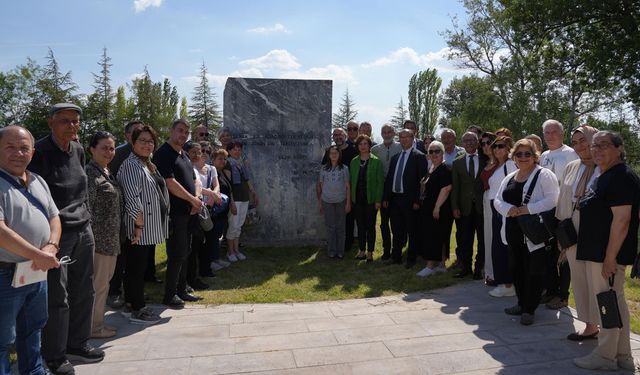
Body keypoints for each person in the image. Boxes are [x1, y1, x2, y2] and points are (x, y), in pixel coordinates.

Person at [29, 103, 104, 373]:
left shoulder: (79, 150)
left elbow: (81, 188)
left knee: (85, 289)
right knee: (58, 297)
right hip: (57, 234)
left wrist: (86, 218)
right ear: (51, 122)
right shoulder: (39, 153)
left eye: (75, 121)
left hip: (84, 229)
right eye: (65, 121)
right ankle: (55, 355)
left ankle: (78, 343)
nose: (72, 126)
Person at [572, 131, 639, 371]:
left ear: (620, 149)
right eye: (594, 146)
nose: (597, 150)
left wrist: (610, 257)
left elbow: (622, 221)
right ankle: (622, 356)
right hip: (597, 253)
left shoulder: (621, 177)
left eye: (604, 145)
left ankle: (605, 356)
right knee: (615, 301)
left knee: (607, 304)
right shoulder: (605, 175)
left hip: (605, 256)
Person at [0, 126, 60, 375]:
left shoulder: (37, 181)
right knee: (2, 340)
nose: (18, 153)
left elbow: (55, 218)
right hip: (5, 274)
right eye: (10, 147)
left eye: (24, 148)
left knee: (32, 330)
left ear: (32, 152)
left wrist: (51, 246)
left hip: (35, 272)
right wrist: (40, 255)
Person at [494, 139, 559, 326]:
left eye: (527, 154)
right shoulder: (510, 177)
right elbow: (498, 200)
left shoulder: (544, 175)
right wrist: (509, 209)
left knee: (534, 271)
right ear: (513, 157)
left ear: (535, 156)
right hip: (513, 231)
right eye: (519, 154)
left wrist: (527, 209)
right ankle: (521, 303)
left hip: (534, 233)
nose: (523, 158)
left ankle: (529, 309)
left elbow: (553, 200)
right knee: (517, 269)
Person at [118, 125, 168, 324]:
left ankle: (133, 302)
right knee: (135, 269)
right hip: (139, 228)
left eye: (150, 141)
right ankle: (136, 309)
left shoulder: (148, 163)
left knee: (138, 268)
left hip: (147, 226)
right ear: (133, 142)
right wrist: (138, 227)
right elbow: (132, 198)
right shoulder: (131, 165)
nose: (147, 145)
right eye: (142, 140)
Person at [555, 125, 600, 342]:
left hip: (596, 230)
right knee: (580, 278)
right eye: (575, 143)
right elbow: (564, 197)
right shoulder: (572, 166)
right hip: (572, 228)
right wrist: (562, 233)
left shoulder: (606, 166)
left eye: (584, 140)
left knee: (597, 280)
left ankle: (609, 327)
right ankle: (590, 325)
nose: (580, 146)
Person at [152, 119, 203, 309]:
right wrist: (192, 200)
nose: (183, 135)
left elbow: (194, 179)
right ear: (171, 130)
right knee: (176, 253)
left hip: (190, 211)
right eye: (180, 131)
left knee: (186, 251)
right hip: (175, 213)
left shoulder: (184, 155)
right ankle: (170, 294)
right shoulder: (163, 154)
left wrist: (196, 200)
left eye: (186, 132)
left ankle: (182, 289)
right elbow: (170, 183)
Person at [85, 131, 122, 339]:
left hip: (111, 240)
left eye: (111, 148)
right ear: (92, 149)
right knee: (98, 287)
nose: (109, 152)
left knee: (102, 285)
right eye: (104, 147)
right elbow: (87, 208)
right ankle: (94, 328)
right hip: (99, 241)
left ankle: (96, 324)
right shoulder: (90, 173)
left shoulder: (106, 171)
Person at [539, 119, 579, 309]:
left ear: (562, 133)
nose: (550, 135)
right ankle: (551, 290)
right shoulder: (544, 155)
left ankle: (563, 296)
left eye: (554, 132)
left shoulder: (571, 153)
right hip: (546, 212)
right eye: (547, 132)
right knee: (548, 255)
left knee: (564, 255)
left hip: (564, 211)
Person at [107, 121, 146, 311]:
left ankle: (133, 289)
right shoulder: (119, 153)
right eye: (134, 133)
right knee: (119, 253)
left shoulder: (145, 154)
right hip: (119, 210)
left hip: (138, 212)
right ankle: (114, 291)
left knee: (135, 255)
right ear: (127, 136)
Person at [383, 129, 427, 267]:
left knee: (412, 231)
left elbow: (423, 181)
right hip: (395, 200)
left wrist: (417, 200)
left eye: (406, 137)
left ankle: (411, 259)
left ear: (413, 138)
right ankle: (395, 257)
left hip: (410, 201)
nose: (403, 140)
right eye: (401, 137)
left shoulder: (419, 156)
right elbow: (390, 179)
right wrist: (386, 198)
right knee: (396, 230)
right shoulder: (396, 157)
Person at [185, 141, 223, 285]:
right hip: (198, 207)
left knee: (210, 238)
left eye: (206, 151)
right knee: (197, 242)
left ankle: (206, 269)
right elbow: (197, 187)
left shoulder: (211, 169)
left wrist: (214, 193)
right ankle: (194, 275)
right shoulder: (191, 167)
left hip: (210, 208)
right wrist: (212, 194)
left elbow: (216, 184)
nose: (204, 154)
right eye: (202, 151)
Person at [451, 131, 485, 279]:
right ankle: (466, 268)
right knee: (465, 239)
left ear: (477, 142)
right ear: (462, 143)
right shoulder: (457, 162)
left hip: (482, 207)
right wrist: (455, 207)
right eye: (466, 141)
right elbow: (455, 187)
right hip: (464, 208)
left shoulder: (486, 159)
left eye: (472, 140)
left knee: (482, 240)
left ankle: (479, 268)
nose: (469, 143)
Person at [415, 140, 453, 276]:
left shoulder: (445, 168)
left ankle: (430, 266)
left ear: (442, 153)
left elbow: (446, 188)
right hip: (429, 208)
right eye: (431, 151)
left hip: (439, 208)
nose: (434, 154)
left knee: (435, 236)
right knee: (436, 236)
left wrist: (437, 208)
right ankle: (440, 264)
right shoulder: (431, 168)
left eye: (437, 151)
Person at [486, 136, 516, 297]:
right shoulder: (499, 165)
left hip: (503, 211)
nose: (497, 149)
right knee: (497, 246)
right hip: (496, 209)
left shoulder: (510, 165)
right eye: (495, 146)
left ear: (508, 148)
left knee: (502, 247)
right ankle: (504, 282)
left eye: (501, 146)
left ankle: (507, 284)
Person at [350, 135, 384, 263]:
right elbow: (351, 181)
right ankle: (362, 251)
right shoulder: (354, 162)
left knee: (370, 226)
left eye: (365, 144)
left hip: (371, 201)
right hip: (357, 200)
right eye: (360, 144)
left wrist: (378, 201)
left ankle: (370, 252)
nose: (363, 146)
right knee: (360, 226)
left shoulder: (376, 161)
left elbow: (380, 182)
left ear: (369, 146)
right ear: (357, 146)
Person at [371, 124, 402, 260]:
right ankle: (386, 250)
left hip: (397, 189)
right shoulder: (375, 149)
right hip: (382, 189)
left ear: (394, 133)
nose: (387, 134)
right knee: (384, 223)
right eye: (384, 132)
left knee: (396, 223)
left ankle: (397, 250)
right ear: (381, 134)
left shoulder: (401, 147)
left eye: (390, 131)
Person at [317, 145, 351, 259]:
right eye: (331, 153)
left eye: (336, 153)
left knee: (340, 227)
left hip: (341, 201)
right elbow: (321, 186)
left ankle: (340, 251)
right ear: (328, 155)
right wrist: (320, 203)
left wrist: (348, 203)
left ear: (339, 155)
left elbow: (348, 187)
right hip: (327, 201)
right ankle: (331, 250)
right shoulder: (323, 169)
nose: (334, 155)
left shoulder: (344, 168)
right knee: (330, 227)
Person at [224, 142, 255, 262]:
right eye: (234, 149)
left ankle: (236, 251)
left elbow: (246, 180)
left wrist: (253, 191)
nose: (237, 151)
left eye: (239, 149)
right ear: (229, 151)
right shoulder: (228, 164)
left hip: (244, 198)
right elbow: (228, 184)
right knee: (233, 226)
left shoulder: (241, 164)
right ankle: (230, 252)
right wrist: (231, 201)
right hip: (235, 199)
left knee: (239, 226)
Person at [479, 132, 497, 285]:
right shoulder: (485, 162)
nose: (485, 146)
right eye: (482, 143)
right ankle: (490, 272)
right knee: (488, 238)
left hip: (496, 201)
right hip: (486, 200)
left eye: (488, 142)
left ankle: (497, 274)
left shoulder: (502, 163)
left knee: (496, 238)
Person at [212, 149, 235, 263]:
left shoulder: (222, 173)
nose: (223, 161)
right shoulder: (212, 172)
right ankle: (212, 260)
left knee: (218, 235)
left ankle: (217, 258)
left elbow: (229, 190)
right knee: (214, 236)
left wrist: (232, 204)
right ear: (213, 160)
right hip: (215, 211)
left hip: (223, 211)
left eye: (225, 159)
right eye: (220, 158)